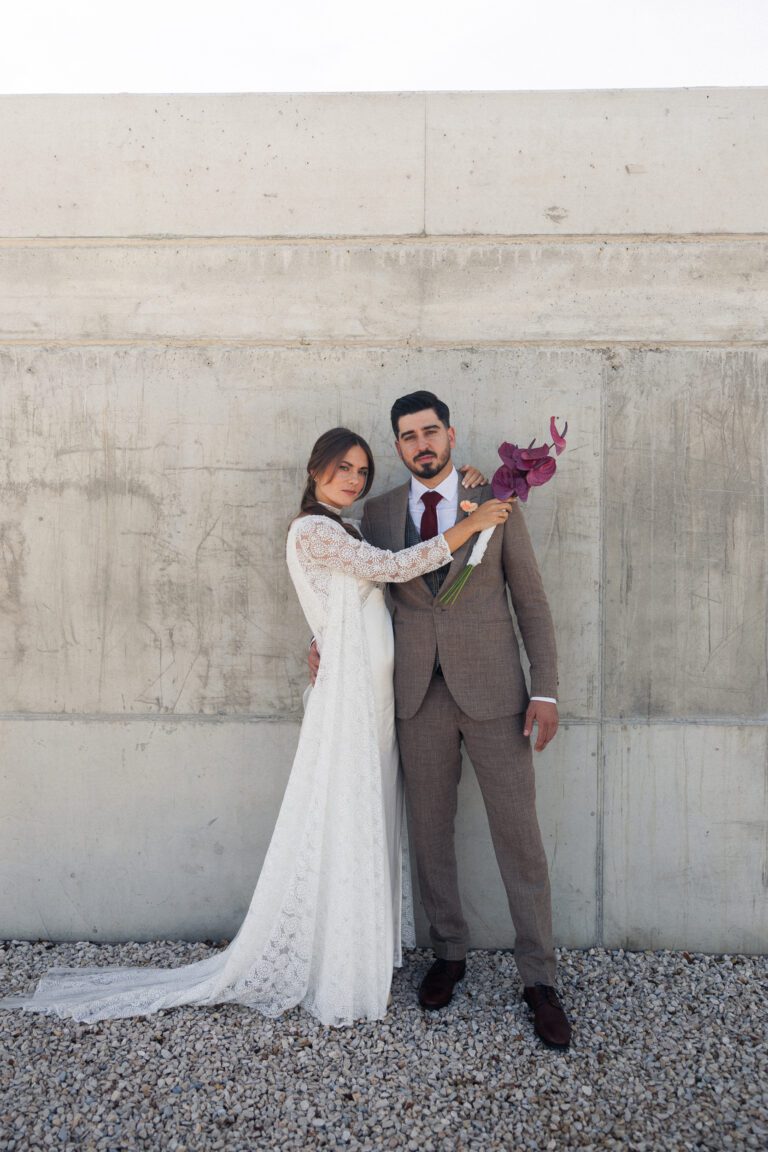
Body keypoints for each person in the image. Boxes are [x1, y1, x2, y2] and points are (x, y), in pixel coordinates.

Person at [0, 427, 510, 1027]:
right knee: (342, 813)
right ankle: (334, 960)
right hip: (348, 698)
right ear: (315, 470)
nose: (354, 479)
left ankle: (354, 943)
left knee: (366, 812)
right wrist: (469, 527)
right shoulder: (313, 529)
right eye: (343, 468)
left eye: (362, 472)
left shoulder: (340, 528)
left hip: (371, 696)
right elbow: (394, 567)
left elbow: (347, 604)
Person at [332, 391, 572, 1049]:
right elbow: (353, 589)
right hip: (415, 696)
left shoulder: (492, 503)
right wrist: (323, 638)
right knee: (430, 831)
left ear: (450, 433)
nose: (421, 444)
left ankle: (539, 979)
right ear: (399, 447)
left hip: (496, 696)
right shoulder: (377, 515)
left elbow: (531, 600)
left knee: (518, 837)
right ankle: (449, 953)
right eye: (408, 437)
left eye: (430, 431)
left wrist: (545, 691)